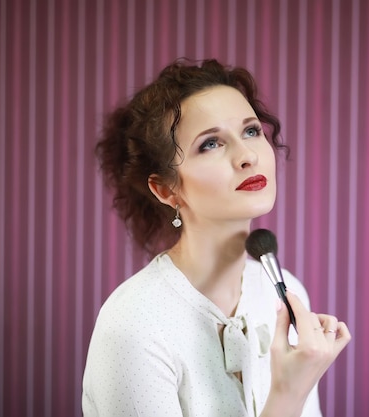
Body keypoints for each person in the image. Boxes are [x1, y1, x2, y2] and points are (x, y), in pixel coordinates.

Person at [82, 58, 351, 417]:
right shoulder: (133, 325)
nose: (247, 156)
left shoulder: (286, 295)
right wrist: (289, 391)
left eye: (251, 131)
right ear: (166, 190)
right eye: (210, 144)